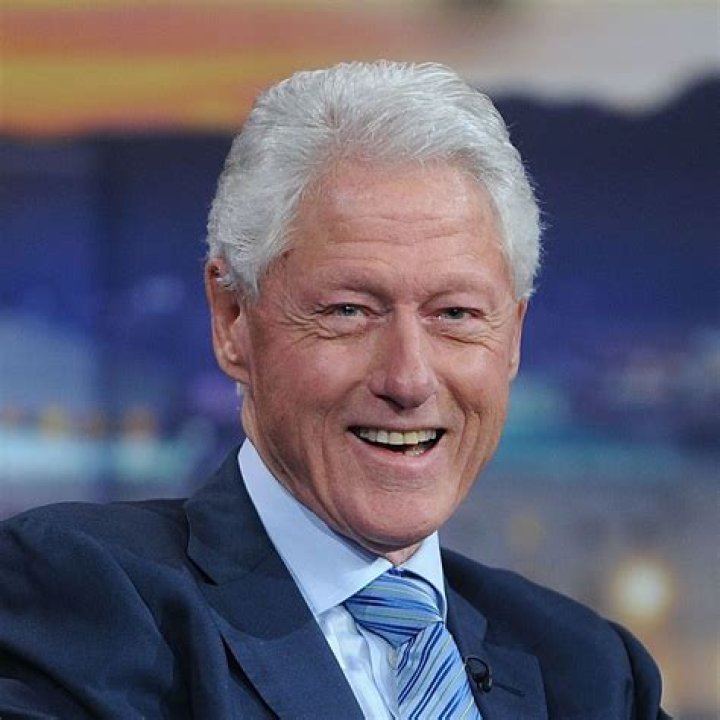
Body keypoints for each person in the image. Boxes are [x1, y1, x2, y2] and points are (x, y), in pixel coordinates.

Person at [0, 61, 669, 719]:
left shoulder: (589, 672)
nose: (408, 379)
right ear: (233, 320)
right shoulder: (85, 599)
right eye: (349, 310)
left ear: (514, 336)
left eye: (456, 314)